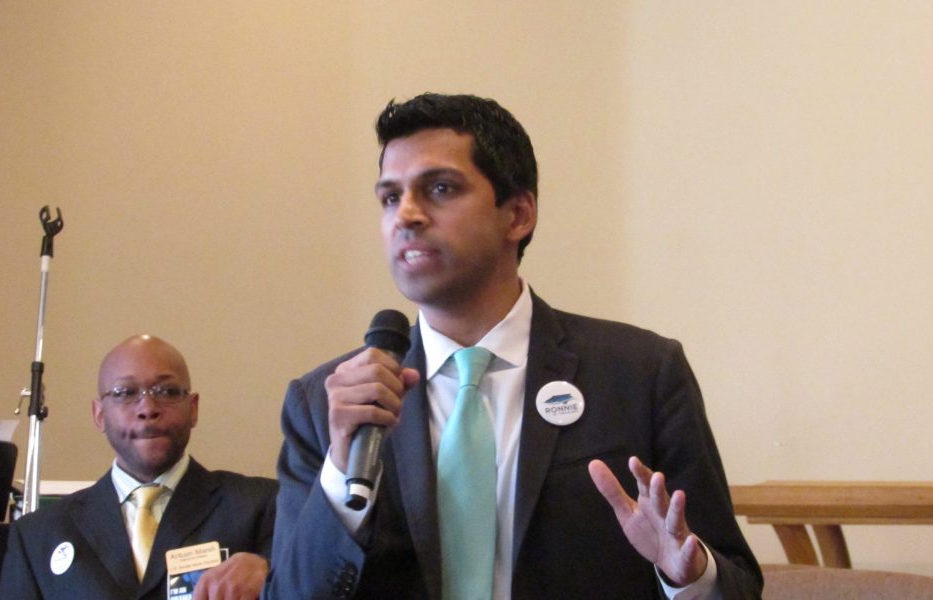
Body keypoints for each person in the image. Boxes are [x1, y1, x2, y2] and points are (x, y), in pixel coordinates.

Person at [264, 93, 762, 599]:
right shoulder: (325, 405)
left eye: (439, 188)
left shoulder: (640, 373)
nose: (406, 215)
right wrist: (341, 470)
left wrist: (687, 577)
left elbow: (738, 583)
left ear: (518, 214)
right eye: (390, 197)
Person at [0, 334, 278, 600]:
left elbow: (301, 581)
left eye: (167, 391)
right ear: (99, 415)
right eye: (125, 392)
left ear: (193, 408)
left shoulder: (262, 505)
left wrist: (268, 571)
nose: (147, 408)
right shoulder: (37, 535)